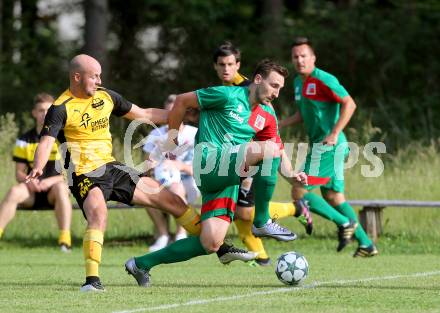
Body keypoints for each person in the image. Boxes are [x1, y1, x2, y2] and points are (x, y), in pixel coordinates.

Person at [26, 54, 254, 292]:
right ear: (76, 77)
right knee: (99, 215)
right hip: (84, 174)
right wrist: (39, 166)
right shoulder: (60, 107)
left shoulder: (106, 96)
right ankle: (92, 281)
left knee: (172, 201)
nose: (99, 80)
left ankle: (222, 248)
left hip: (112, 168)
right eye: (94, 76)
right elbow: (45, 142)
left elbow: (144, 114)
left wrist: (181, 113)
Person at [125, 59, 308, 287]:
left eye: (280, 88)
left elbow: (278, 152)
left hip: (226, 178)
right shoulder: (227, 95)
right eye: (274, 85)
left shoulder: (267, 115)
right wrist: (172, 137)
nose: (277, 93)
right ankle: (261, 221)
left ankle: (140, 264)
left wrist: (293, 175)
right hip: (208, 164)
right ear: (258, 79)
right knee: (266, 149)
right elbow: (182, 101)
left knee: (210, 242)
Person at [213, 42, 313, 266]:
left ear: (238, 65)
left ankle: (265, 251)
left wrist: (286, 172)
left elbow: (271, 139)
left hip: (244, 161)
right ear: (215, 67)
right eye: (221, 65)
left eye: (230, 64)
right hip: (219, 161)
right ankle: (263, 257)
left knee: (244, 214)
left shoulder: (254, 90)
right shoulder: (219, 92)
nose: (226, 69)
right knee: (240, 216)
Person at [281, 37, 378, 257]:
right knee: (334, 197)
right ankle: (366, 244)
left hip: (329, 145)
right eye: (295, 56)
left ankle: (344, 223)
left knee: (299, 191)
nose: (299, 60)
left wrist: (334, 133)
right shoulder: (298, 82)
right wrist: (279, 124)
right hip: (322, 146)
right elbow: (302, 114)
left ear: (313, 58)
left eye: (303, 55)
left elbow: (349, 103)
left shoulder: (324, 79)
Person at [0, 93, 72, 252]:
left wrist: (50, 181)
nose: (44, 114)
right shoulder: (23, 140)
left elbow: (71, 173)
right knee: (13, 191)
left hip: (55, 191)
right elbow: (18, 173)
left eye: (48, 110)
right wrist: (29, 180)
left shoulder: (63, 138)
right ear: (34, 113)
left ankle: (64, 242)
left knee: (61, 188)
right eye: (40, 110)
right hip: (31, 192)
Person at [143, 94, 200, 251]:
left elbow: (203, 170)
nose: (172, 116)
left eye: (176, 112)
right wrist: (152, 166)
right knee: (145, 189)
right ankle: (163, 235)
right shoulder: (156, 134)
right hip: (163, 179)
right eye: (168, 113)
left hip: (190, 180)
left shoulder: (195, 134)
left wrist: (179, 166)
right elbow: (147, 167)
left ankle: (181, 235)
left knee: (176, 188)